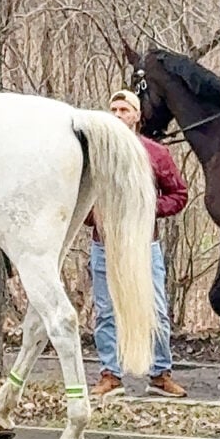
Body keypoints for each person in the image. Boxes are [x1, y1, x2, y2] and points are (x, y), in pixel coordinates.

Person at [86, 89, 189, 398]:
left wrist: (148, 207)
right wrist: (96, 215)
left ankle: (160, 373)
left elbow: (179, 195)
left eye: (124, 110)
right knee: (106, 311)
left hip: (145, 244)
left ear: (137, 116)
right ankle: (110, 375)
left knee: (155, 309)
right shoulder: (95, 154)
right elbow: (80, 199)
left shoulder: (155, 154)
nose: (118, 115)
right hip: (105, 244)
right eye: (113, 110)